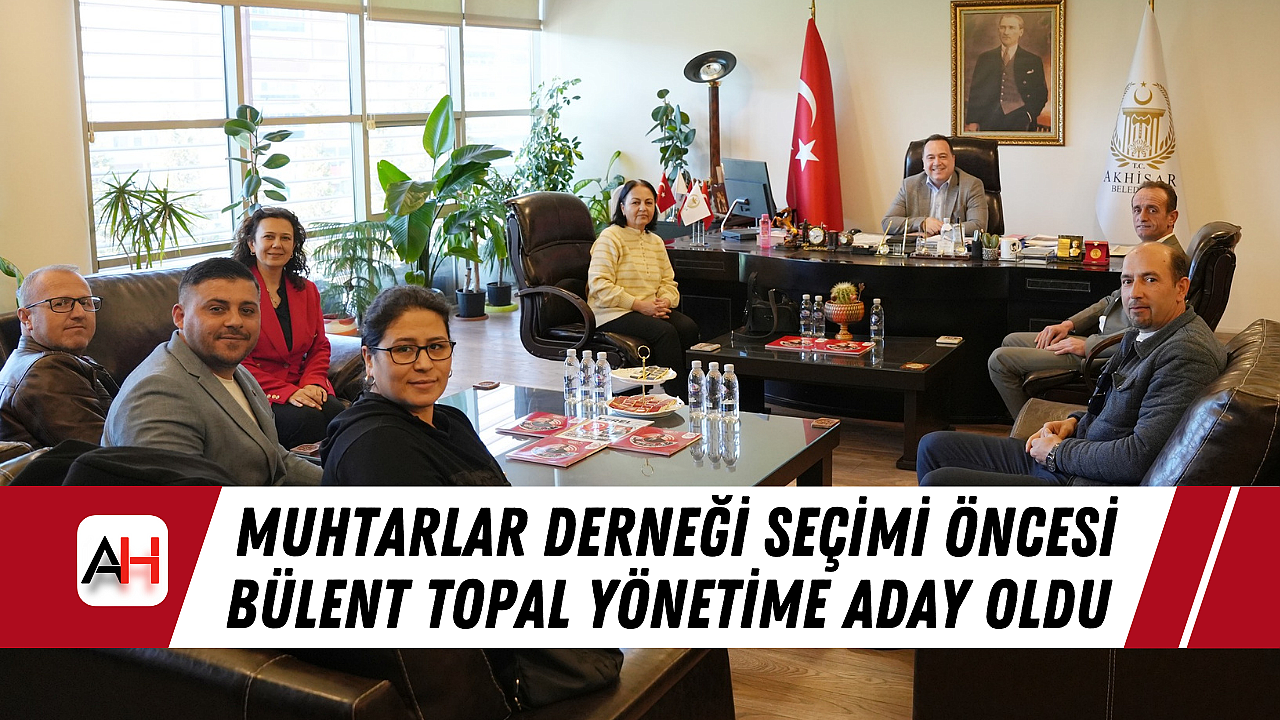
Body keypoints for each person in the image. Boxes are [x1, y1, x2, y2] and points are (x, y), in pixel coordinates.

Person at [918, 241, 1226, 485]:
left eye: (1150, 279)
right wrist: (1074, 423)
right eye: (1127, 281)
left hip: (1082, 482)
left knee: (939, 481)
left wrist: (1057, 452)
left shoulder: (1186, 353)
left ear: (1181, 288)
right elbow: (1112, 406)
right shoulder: (1145, 331)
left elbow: (1137, 458)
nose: (1135, 293)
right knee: (932, 446)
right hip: (1076, 457)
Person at [103, 258, 321, 486]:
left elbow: (277, 459)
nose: (235, 321)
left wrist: (340, 485)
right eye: (217, 309)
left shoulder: (237, 372)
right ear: (180, 316)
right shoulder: (158, 394)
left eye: (247, 310)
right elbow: (182, 502)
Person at [988, 181, 1183, 418]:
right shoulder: (1149, 251)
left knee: (999, 360)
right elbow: (1112, 299)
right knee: (1011, 339)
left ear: (1171, 217)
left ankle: (1027, 430)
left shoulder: (1171, 261)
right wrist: (1068, 324)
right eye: (1136, 209)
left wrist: (1087, 346)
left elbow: (1153, 330)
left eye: (1152, 209)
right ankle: (1035, 419)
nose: (1142, 217)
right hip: (1103, 339)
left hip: (1109, 352)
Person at [320, 285, 508, 486]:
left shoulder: (452, 420)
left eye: (436, 346)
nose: (424, 364)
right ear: (369, 360)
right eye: (404, 349)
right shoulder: (379, 447)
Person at [232, 207, 342, 447]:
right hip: (258, 387)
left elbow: (319, 346)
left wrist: (312, 382)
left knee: (339, 415)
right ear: (252, 244)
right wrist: (287, 392)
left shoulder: (307, 290)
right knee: (306, 420)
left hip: (302, 381)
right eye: (268, 237)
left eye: (285, 238)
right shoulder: (236, 293)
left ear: (293, 246)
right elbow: (236, 357)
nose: (277, 244)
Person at [587, 179, 699, 397]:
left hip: (648, 309)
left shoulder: (655, 241)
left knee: (688, 327)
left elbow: (668, 282)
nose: (642, 208)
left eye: (648, 203)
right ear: (622, 207)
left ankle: (692, 391)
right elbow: (599, 285)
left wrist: (665, 301)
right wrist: (639, 305)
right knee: (665, 332)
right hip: (612, 311)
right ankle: (677, 398)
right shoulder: (610, 237)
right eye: (635, 202)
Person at [0, 265, 117, 449]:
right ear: (26, 317)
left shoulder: (30, 362)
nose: (79, 313)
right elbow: (108, 456)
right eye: (61, 303)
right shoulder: (45, 372)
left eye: (86, 302)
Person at [882, 134, 988, 237]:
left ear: (953, 160)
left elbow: (978, 226)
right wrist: (922, 223)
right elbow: (888, 223)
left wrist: (943, 229)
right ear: (923, 162)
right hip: (919, 248)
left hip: (953, 248)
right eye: (931, 157)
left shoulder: (971, 185)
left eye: (943, 156)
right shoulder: (909, 185)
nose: (937, 162)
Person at [964, 13, 1049, 132]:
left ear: (1021, 32)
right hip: (989, 120)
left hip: (1021, 121)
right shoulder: (985, 58)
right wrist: (973, 121)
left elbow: (1041, 93)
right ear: (998, 30)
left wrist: (1029, 115)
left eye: (1011, 28)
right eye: (1002, 27)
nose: (1006, 32)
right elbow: (976, 92)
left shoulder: (1033, 60)